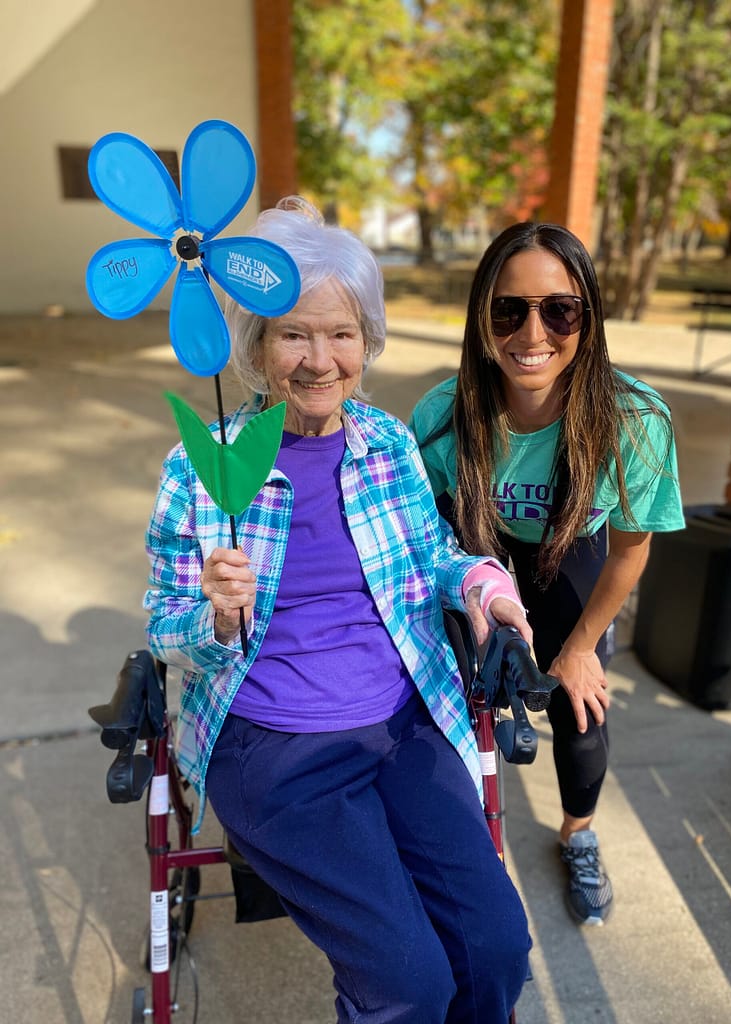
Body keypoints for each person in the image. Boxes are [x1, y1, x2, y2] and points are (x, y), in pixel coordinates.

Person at [143, 197, 532, 1023]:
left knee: (496, 945)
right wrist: (212, 614)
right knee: (407, 984)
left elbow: (432, 559)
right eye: (293, 333)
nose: (321, 359)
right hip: (276, 753)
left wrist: (486, 589)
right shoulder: (200, 468)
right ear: (254, 346)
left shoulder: (385, 442)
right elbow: (162, 624)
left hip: (404, 724)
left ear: (367, 341)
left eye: (342, 333)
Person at [410, 221, 685, 927]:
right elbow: (437, 538)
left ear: (587, 320)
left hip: (576, 554)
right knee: (458, 691)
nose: (533, 331)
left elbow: (630, 551)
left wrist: (581, 646)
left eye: (558, 309)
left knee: (579, 707)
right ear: (481, 317)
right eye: (510, 309)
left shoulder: (634, 418)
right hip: (484, 549)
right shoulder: (442, 416)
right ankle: (458, 835)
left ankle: (579, 832)